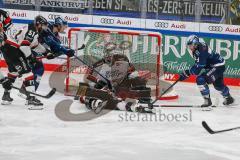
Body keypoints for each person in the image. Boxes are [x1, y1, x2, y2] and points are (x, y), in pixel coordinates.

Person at [1, 15, 48, 107]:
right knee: (28, 72)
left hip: (7, 49)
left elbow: (35, 44)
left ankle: (6, 96)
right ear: (38, 24)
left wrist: (46, 52)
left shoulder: (31, 29)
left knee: (13, 72)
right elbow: (24, 46)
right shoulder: (32, 30)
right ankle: (31, 98)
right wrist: (30, 57)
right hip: (14, 49)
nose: (45, 27)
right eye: (44, 25)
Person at [179, 35, 234, 110]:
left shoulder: (201, 51)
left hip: (217, 66)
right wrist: (188, 72)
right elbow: (198, 65)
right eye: (189, 45)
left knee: (201, 79)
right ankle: (229, 98)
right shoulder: (198, 48)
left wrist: (187, 73)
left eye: (191, 45)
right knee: (218, 85)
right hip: (218, 65)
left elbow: (197, 69)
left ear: (195, 44)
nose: (190, 47)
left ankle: (207, 100)